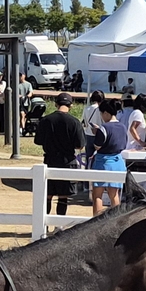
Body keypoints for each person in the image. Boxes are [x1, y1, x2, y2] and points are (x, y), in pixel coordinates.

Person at [37, 91, 85, 219]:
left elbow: (38, 140)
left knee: (48, 195)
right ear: (71, 105)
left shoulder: (46, 120)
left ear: (55, 104)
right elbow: (80, 145)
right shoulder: (74, 122)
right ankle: (59, 225)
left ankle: (43, 225)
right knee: (63, 196)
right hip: (67, 162)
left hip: (50, 161)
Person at [89, 99, 130, 214]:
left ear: (106, 113)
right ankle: (116, 220)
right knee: (114, 194)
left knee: (97, 195)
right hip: (118, 162)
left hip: (103, 162)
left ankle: (96, 222)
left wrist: (96, 133)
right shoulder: (123, 127)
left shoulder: (104, 128)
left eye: (102, 114)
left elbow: (97, 146)